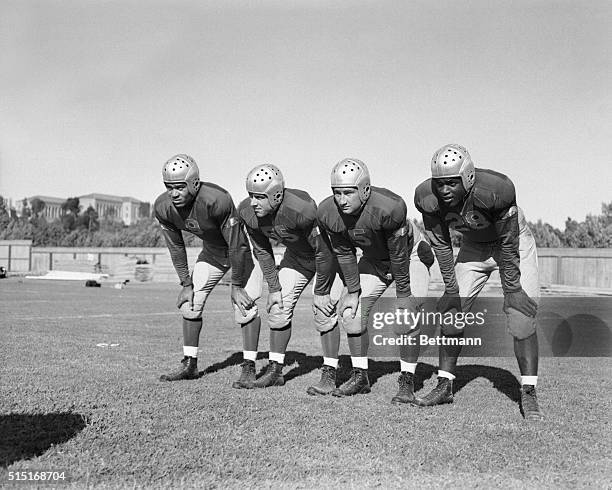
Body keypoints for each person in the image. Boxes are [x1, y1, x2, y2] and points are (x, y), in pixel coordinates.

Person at [414, 143, 543, 420]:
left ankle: (529, 391)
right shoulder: (427, 197)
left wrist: (513, 289)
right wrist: (451, 288)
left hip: (513, 242)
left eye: (451, 183)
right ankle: (445, 384)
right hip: (473, 246)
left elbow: (509, 243)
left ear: (469, 178)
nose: (444, 190)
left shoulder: (496, 190)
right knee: (451, 313)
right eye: (440, 184)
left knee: (521, 316)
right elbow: (441, 243)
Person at [315, 158, 433, 401]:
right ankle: (360, 376)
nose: (342, 200)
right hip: (374, 260)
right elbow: (344, 253)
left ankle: (407, 381)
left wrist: (403, 295)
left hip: (409, 256)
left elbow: (399, 254)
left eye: (348, 192)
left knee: (405, 316)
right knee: (351, 313)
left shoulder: (388, 207)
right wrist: (353, 290)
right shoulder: (328, 213)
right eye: (337, 193)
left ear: (365, 190)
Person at [234, 164, 339, 389]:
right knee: (277, 308)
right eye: (251, 195)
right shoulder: (248, 212)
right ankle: (275, 370)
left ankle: (330, 372)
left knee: (323, 311)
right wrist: (274, 288)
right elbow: (262, 250)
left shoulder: (302, 209)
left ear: (277, 194)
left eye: (260, 197)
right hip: (297, 258)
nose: (253, 202)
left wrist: (321, 291)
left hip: (328, 260)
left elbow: (325, 251)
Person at [154, 154, 254, 382]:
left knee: (244, 307)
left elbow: (237, 245)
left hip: (241, 252)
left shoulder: (216, 199)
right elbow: (176, 247)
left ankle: (249, 367)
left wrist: (236, 285)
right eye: (169, 187)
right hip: (212, 253)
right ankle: (190, 364)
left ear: (194, 183)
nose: (174, 193)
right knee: (190, 305)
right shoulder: (163, 207)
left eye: (179, 187)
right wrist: (186, 284)